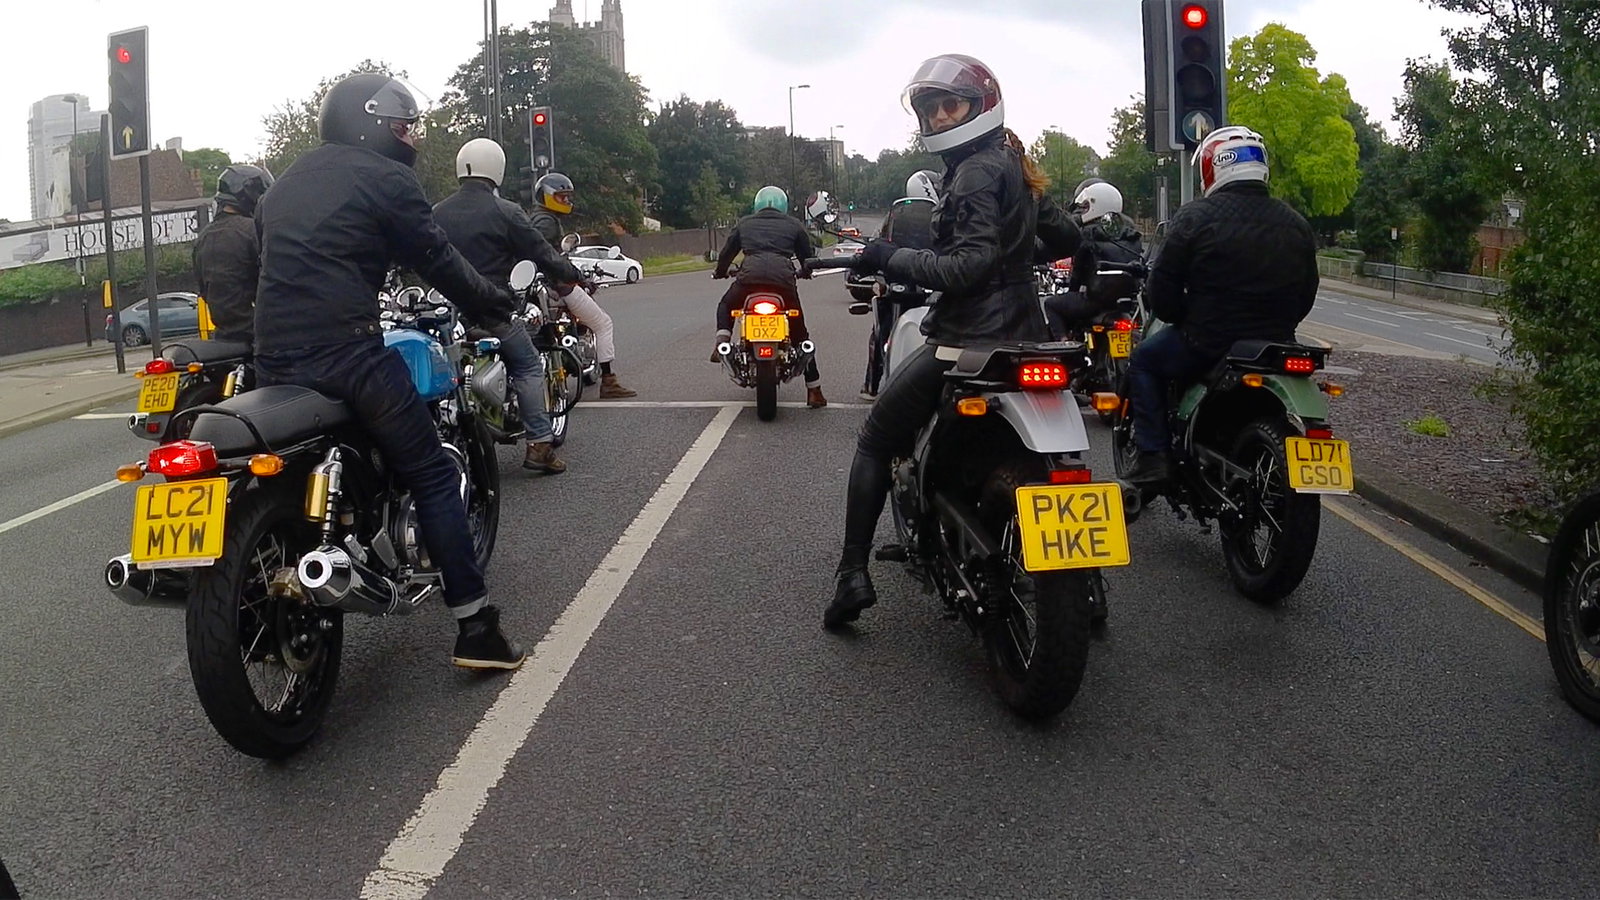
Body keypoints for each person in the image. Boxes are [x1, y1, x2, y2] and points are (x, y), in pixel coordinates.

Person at [253, 72, 526, 670]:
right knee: (428, 469)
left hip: (271, 359)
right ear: (373, 125)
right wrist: (495, 304)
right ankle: (475, 628)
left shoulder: (281, 187)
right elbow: (438, 259)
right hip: (347, 354)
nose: (410, 136)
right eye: (403, 125)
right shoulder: (387, 179)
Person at [825, 53, 1080, 629]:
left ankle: (852, 575)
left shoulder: (973, 172)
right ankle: (1084, 584)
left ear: (981, 107)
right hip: (1028, 337)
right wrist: (1025, 256)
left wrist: (886, 254)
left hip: (968, 339)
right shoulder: (1011, 165)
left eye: (951, 105)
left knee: (874, 440)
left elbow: (966, 267)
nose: (939, 117)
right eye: (931, 108)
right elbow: (1066, 235)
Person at [1123, 125, 1319, 487]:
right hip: (1274, 346)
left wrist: (1184, 318)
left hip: (1209, 341)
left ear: (1213, 168)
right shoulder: (1297, 224)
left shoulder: (1195, 217)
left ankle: (1154, 457)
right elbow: (1307, 291)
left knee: (1144, 361)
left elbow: (1162, 289)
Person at [434, 138, 589, 474]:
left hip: (447, 313)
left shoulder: (437, 212)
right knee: (529, 364)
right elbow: (542, 253)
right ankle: (539, 445)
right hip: (492, 308)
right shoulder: (506, 211)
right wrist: (572, 272)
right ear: (497, 169)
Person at [711, 186, 827, 408]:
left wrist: (720, 271)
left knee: (726, 305)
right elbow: (807, 258)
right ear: (783, 205)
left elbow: (727, 253)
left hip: (749, 278)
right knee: (800, 334)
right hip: (783, 281)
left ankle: (721, 343)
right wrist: (806, 272)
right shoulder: (794, 224)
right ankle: (814, 390)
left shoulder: (745, 223)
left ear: (757, 204)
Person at [526, 172, 637, 399]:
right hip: (557, 285)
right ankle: (609, 381)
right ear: (546, 196)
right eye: (561, 197)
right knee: (603, 323)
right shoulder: (546, 223)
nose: (566, 202)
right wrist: (577, 275)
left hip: (538, 285)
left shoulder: (535, 218)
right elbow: (549, 258)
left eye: (567, 197)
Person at [860, 171, 939, 399]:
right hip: (908, 281)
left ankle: (872, 385)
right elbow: (877, 243)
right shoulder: (941, 216)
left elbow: (877, 242)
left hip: (922, 279)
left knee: (880, 328)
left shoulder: (894, 218)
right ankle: (873, 382)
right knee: (881, 326)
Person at [1042, 181, 1146, 332]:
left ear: (1094, 205)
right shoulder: (1132, 234)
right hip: (1126, 302)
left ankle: (1064, 343)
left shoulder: (1086, 235)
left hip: (1095, 301)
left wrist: (1072, 290)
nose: (1081, 211)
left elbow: (1077, 274)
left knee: (1051, 304)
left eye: (1084, 206)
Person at [192, 164, 272, 345]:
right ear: (253, 196)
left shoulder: (202, 239)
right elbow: (273, 280)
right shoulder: (253, 231)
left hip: (223, 339)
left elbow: (203, 290)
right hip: (261, 337)